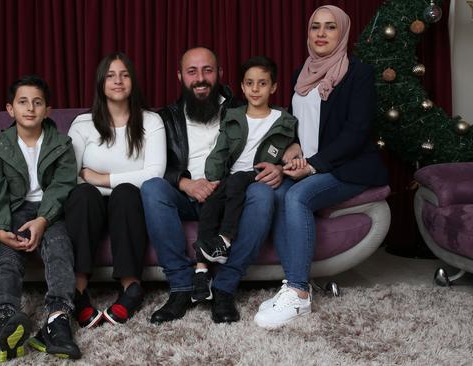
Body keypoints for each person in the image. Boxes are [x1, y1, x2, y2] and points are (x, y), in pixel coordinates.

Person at [253, 5, 388, 329]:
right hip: (308, 163)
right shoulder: (304, 71)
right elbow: (298, 124)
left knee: (297, 197)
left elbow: (356, 133)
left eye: (330, 27)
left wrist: (312, 166)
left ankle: (299, 294)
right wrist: (292, 147)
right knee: (274, 191)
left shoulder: (358, 73)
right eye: (315, 27)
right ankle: (294, 283)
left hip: (347, 167)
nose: (321, 34)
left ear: (342, 33)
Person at [141, 46, 282, 324]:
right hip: (186, 195)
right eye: (192, 71)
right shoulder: (165, 118)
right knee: (152, 188)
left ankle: (225, 287)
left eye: (207, 70)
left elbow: (276, 125)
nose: (200, 78)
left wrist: (285, 158)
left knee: (263, 196)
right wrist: (185, 183)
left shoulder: (241, 110)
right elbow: (154, 164)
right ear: (180, 76)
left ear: (220, 73)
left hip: (229, 197)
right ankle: (182, 287)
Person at [0, 75, 81, 361]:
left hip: (49, 211)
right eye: (23, 102)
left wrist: (43, 219)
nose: (30, 108)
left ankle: (58, 319)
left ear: (48, 110)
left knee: (59, 251)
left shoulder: (61, 143)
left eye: (37, 102)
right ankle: (5, 320)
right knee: (7, 260)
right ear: (10, 109)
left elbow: (63, 185)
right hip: (12, 211)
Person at [64, 52, 166, 327]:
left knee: (125, 192)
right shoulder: (83, 124)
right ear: (101, 83)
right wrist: (91, 183)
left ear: (133, 81)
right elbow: (68, 175)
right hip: (90, 202)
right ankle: (78, 289)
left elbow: (154, 174)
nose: (118, 81)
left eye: (124, 74)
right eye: (110, 75)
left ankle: (131, 287)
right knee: (83, 194)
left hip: (130, 203)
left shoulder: (151, 122)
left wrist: (99, 177)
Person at [192, 56, 297, 302]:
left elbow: (292, 146)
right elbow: (220, 150)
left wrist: (293, 151)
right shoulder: (233, 116)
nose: (255, 89)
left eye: (262, 83)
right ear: (242, 86)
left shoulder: (285, 121)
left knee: (239, 180)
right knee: (211, 204)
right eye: (250, 83)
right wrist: (213, 178)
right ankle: (201, 270)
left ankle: (225, 240)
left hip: (257, 173)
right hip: (232, 177)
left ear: (273, 87)